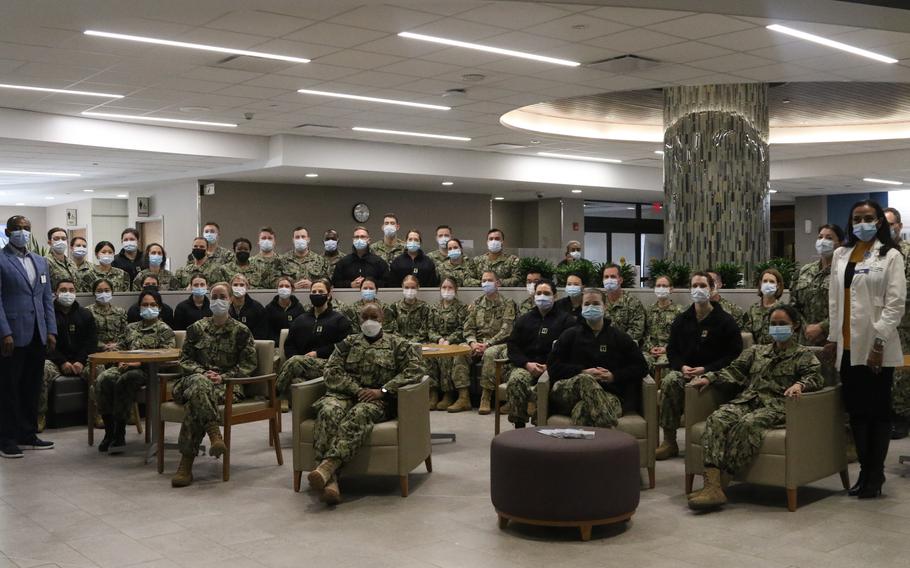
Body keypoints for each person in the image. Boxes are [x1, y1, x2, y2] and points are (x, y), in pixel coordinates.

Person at [687, 305, 822, 510]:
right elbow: (734, 370)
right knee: (717, 418)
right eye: (773, 324)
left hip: (777, 406)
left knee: (748, 424)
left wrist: (799, 385)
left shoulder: (803, 355)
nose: (777, 328)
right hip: (748, 400)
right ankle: (711, 484)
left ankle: (722, 482)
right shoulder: (757, 351)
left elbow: (815, 376)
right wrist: (709, 377)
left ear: (794, 326)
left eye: (782, 324)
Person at [826, 199, 906, 499]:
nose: (862, 223)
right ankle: (864, 470)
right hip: (848, 347)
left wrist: (878, 343)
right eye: (857, 218)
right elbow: (835, 301)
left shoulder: (891, 256)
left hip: (876, 349)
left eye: (868, 218)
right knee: (857, 413)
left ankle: (876, 474)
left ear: (879, 222)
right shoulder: (841, 254)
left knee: (877, 413)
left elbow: (895, 304)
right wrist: (834, 339)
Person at [307, 303, 423, 504]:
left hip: (378, 400)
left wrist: (384, 390)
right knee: (328, 411)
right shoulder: (348, 343)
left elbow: (415, 370)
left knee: (359, 414)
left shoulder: (398, 344)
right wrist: (355, 389)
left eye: (374, 317)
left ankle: (328, 466)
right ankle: (331, 481)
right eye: (365, 317)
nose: (370, 322)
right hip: (345, 394)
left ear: (382, 320)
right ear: (359, 321)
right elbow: (331, 370)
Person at [170, 281, 257, 487]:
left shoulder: (241, 331)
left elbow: (249, 363)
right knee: (201, 383)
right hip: (190, 381)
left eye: (223, 297)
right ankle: (213, 432)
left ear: (231, 300)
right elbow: (185, 361)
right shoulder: (196, 329)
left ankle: (186, 463)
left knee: (197, 400)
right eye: (215, 297)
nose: (218, 301)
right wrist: (202, 372)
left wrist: (224, 377)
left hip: (225, 387)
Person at [655, 272, 743, 460]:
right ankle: (669, 441)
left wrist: (706, 370)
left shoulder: (725, 322)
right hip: (686, 372)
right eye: (694, 286)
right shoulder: (681, 320)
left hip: (714, 374)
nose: (698, 290)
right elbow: (672, 350)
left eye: (703, 286)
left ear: (712, 289)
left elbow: (733, 355)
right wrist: (681, 367)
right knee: (670, 380)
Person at [546, 288, 648, 428]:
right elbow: (552, 367)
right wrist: (582, 372)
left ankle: (584, 448)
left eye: (596, 303)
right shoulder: (570, 335)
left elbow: (641, 367)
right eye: (587, 304)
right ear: (581, 307)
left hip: (608, 394)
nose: (591, 307)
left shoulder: (619, 337)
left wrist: (614, 376)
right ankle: (611, 433)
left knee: (582, 410)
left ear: (604, 307)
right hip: (569, 393)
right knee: (586, 379)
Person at [0, 215, 57, 458]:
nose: (22, 232)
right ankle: (7, 438)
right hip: (12, 334)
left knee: (32, 386)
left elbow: (46, 299)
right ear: (8, 232)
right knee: (8, 387)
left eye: (26, 228)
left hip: (37, 332)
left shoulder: (40, 261)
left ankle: (27, 433)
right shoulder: (2, 260)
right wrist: (5, 332)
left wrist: (51, 330)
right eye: (17, 228)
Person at [94, 289, 175, 454]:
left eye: (153, 304)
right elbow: (120, 348)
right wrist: (121, 360)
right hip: (124, 367)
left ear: (159, 308)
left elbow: (168, 357)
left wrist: (139, 363)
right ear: (139, 307)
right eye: (145, 305)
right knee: (104, 379)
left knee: (127, 379)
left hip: (149, 373)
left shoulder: (164, 330)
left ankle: (120, 432)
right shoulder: (131, 328)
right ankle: (109, 431)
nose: (148, 307)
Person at [505, 280, 575, 428]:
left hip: (553, 369)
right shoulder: (524, 320)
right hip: (527, 366)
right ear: (534, 296)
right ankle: (519, 427)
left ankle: (540, 425)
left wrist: (550, 367)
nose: (542, 297)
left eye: (547, 293)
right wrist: (526, 364)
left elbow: (570, 349)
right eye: (539, 293)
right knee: (516, 380)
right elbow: (512, 346)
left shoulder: (567, 320)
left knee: (543, 387)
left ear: (555, 296)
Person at [276, 279, 350, 401]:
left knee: (295, 364)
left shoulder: (339, 320)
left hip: (329, 365)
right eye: (313, 291)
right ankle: (284, 397)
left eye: (320, 291)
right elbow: (289, 344)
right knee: (297, 379)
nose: (317, 294)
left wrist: (318, 353)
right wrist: (299, 358)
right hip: (301, 363)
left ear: (329, 294)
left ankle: (274, 395)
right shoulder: (300, 320)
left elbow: (344, 345)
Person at [39, 279, 96, 433]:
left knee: (100, 368)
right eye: (63, 290)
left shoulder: (85, 314)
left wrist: (80, 361)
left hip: (81, 361)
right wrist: (62, 362)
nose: (67, 293)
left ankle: (98, 413)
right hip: (55, 361)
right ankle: (39, 415)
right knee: (41, 369)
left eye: (71, 290)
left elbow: (91, 343)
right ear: (55, 293)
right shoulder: (46, 314)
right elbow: (45, 344)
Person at [464, 270, 518, 415]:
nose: (486, 283)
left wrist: (488, 344)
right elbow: (468, 328)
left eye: (489, 280)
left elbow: (507, 330)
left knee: (489, 353)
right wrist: (472, 343)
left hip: (498, 344)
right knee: (460, 352)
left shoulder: (508, 303)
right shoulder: (476, 303)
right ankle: (463, 397)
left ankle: (486, 397)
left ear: (498, 283)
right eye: (483, 281)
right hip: (478, 342)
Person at [791, 225, 844, 347]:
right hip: (805, 338)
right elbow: (794, 305)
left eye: (829, 238)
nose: (823, 241)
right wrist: (806, 328)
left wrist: (821, 327)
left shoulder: (844, 271)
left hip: (833, 339)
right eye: (820, 237)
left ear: (839, 243)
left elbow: (848, 307)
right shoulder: (804, 271)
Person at [884, 208, 910, 439]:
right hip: (880, 327)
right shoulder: (874, 254)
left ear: (899, 226)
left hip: (905, 327)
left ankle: (902, 417)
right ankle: (890, 414)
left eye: (890, 223)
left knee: (902, 374)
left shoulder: (907, 253)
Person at [428, 277, 471, 412]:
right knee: (429, 357)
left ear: (456, 290)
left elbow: (463, 328)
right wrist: (438, 338)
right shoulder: (434, 307)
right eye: (444, 288)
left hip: (455, 343)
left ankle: (448, 394)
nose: (447, 291)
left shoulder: (461, 308)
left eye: (450, 288)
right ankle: (433, 393)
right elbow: (430, 328)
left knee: (447, 355)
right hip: (438, 342)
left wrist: (450, 340)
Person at [601, 263, 646, 347]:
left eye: (613, 277)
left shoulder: (633, 302)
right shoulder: (599, 302)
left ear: (621, 280)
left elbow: (637, 330)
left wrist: (617, 342)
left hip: (625, 347)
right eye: (606, 277)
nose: (609, 280)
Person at [386, 275, 432, 344]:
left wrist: (412, 342)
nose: (409, 290)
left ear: (418, 287)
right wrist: (403, 342)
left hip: (420, 344)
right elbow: (391, 330)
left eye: (413, 287)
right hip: (399, 344)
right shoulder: (394, 307)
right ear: (402, 287)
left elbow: (424, 330)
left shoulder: (425, 307)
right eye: (406, 287)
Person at [87, 278, 129, 354]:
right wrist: (103, 346)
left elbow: (125, 333)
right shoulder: (87, 312)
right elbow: (86, 336)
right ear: (94, 293)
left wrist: (116, 345)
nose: (103, 293)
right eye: (99, 291)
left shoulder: (120, 312)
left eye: (107, 291)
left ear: (112, 292)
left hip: (118, 350)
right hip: (95, 352)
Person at [745, 268, 785, 345]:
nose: (768, 284)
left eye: (772, 282)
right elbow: (747, 335)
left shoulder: (783, 310)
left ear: (778, 285)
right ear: (760, 284)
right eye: (765, 281)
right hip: (756, 352)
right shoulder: (752, 310)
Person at [264, 276, 306, 345]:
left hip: (294, 344)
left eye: (287, 286)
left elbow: (301, 329)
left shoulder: (299, 308)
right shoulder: (269, 308)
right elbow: (267, 331)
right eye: (281, 286)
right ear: (277, 289)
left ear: (292, 289)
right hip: (275, 345)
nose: (284, 288)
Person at [227, 273, 268, 340]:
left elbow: (261, 333)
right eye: (235, 285)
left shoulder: (257, 308)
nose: (238, 287)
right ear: (230, 288)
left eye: (242, 285)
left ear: (247, 287)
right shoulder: (226, 307)